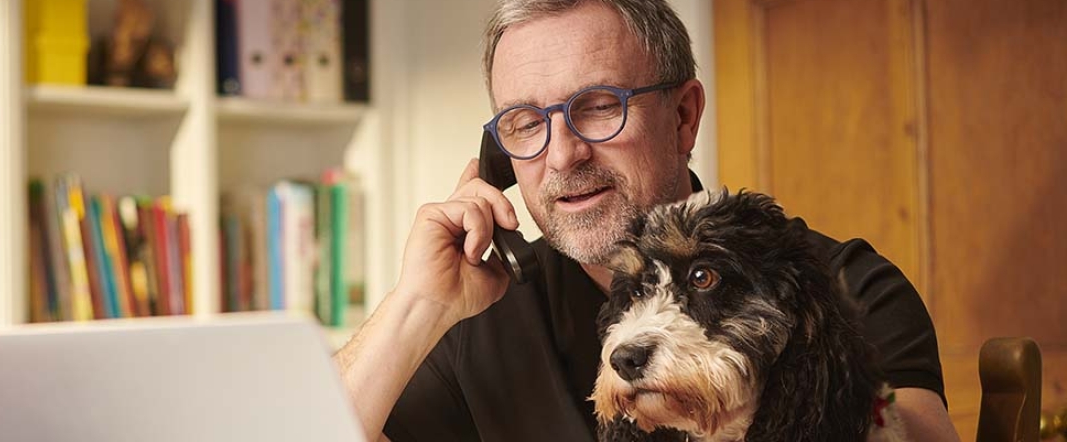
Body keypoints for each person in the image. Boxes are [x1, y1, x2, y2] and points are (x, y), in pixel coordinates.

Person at [335, 1, 961, 441]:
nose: (562, 154)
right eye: (526, 123)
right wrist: (417, 305)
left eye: (600, 107)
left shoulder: (842, 284)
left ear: (684, 117)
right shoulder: (479, 308)